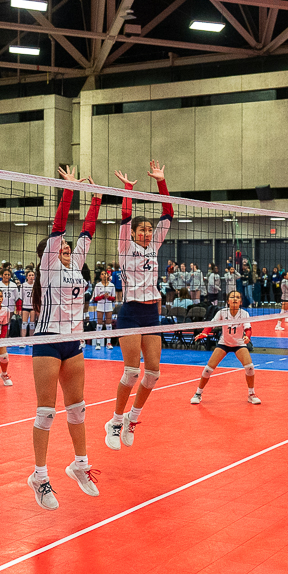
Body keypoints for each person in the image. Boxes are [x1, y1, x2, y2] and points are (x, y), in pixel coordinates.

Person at [29, 167, 102, 510]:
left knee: (78, 409)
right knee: (46, 412)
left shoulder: (76, 265)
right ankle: (40, 477)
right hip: (47, 340)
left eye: (71, 246)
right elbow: (59, 226)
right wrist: (68, 190)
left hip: (74, 342)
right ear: (49, 252)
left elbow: (88, 230)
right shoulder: (49, 265)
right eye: (63, 245)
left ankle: (80, 466)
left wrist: (98, 197)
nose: (68, 246)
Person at [105, 160, 173, 451]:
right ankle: (115, 421)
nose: (146, 233)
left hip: (151, 312)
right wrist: (128, 191)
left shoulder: (155, 246)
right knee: (132, 372)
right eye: (141, 230)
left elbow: (168, 213)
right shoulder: (125, 247)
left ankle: (133, 418)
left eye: (149, 229)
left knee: (154, 373)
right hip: (131, 312)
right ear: (133, 233)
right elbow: (125, 216)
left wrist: (161, 181)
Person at [190, 290, 259, 405]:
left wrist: (247, 337)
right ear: (228, 301)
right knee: (208, 369)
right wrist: (204, 332)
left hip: (239, 344)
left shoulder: (244, 314)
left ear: (241, 302)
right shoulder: (222, 312)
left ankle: (251, 394)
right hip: (224, 343)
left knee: (250, 367)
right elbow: (212, 324)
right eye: (232, 297)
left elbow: (248, 329)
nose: (235, 299)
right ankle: (198, 393)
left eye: (237, 297)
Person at [19, 269, 36, 337]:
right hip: (25, 306)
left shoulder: (36, 285)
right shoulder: (23, 285)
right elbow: (21, 297)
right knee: (24, 324)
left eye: (32, 275)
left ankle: (31, 340)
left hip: (33, 307)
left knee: (32, 324)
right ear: (27, 277)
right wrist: (20, 309)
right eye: (29, 275)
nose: (31, 276)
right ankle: (23, 340)